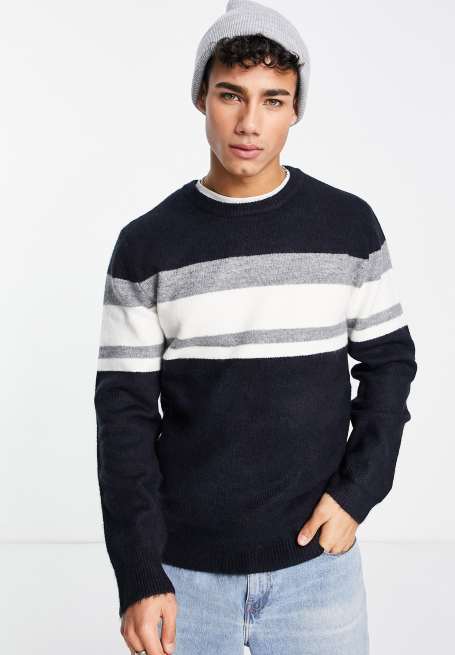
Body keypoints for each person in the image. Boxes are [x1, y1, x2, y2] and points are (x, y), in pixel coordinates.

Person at [94, 1, 418, 653]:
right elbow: (123, 416)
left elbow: (389, 364)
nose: (249, 123)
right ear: (201, 98)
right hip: (181, 578)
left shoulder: (347, 226)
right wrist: (138, 573)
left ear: (295, 109)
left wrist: (358, 493)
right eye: (230, 95)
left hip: (316, 573)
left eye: (273, 100)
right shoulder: (147, 245)